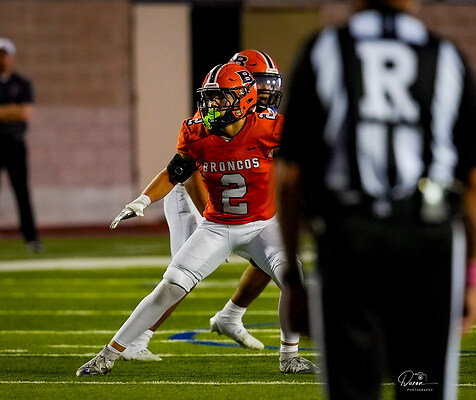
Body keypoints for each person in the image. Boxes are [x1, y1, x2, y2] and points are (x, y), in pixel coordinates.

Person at [278, 0, 476, 399]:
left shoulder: (324, 49)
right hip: (428, 239)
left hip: (350, 240)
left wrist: (294, 281)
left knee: (353, 389)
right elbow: (471, 180)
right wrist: (470, 277)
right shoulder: (446, 55)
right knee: (424, 387)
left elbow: (290, 178)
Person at [76, 63, 318, 376]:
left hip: (261, 225)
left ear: (244, 99)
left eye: (220, 97)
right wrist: (143, 200)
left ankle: (290, 358)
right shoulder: (197, 131)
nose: (212, 104)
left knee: (292, 278)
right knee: (171, 286)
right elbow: (175, 171)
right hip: (217, 226)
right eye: (209, 97)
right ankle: (107, 355)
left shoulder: (270, 128)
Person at [120, 50, 284, 361]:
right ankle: (136, 340)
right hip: (194, 193)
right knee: (182, 276)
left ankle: (230, 316)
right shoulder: (216, 115)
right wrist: (219, 223)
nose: (267, 91)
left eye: (269, 84)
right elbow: (192, 171)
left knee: (272, 255)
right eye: (261, 84)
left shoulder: (260, 120)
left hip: (231, 198)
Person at [0, 38, 41, 254]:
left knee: (22, 192)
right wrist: (9, 111)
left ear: (11, 57)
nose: (2, 59)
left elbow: (24, 113)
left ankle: (31, 239)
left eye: (5, 54)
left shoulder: (21, 84)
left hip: (14, 144)